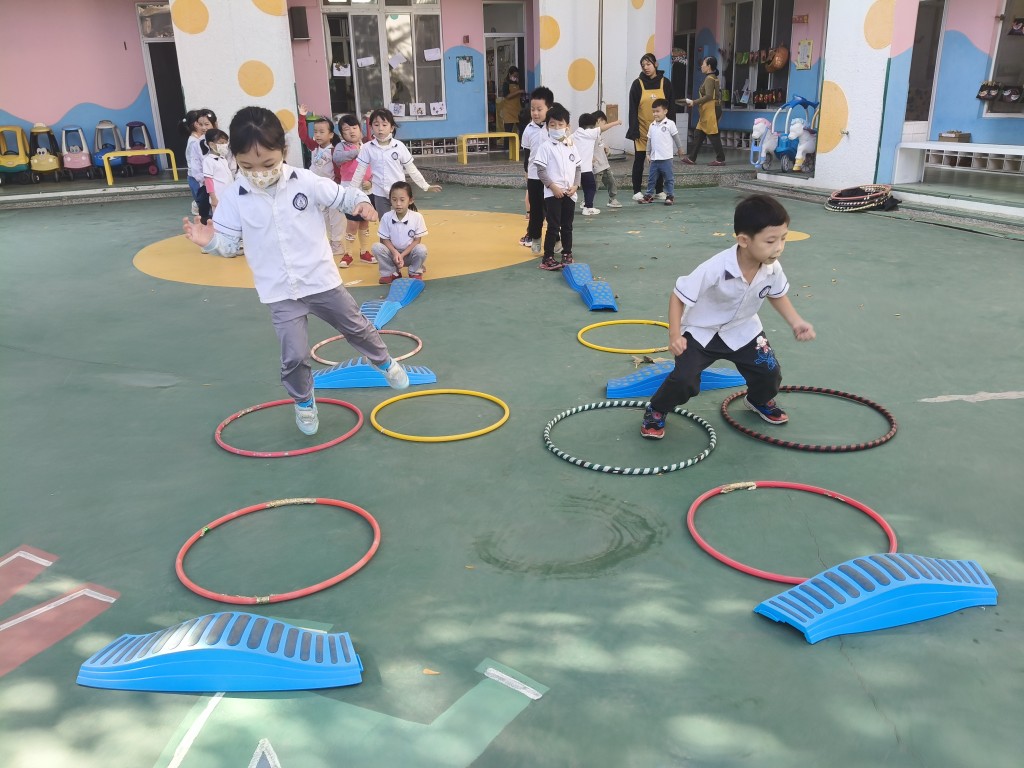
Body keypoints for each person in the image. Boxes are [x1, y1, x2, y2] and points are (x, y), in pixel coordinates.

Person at [181, 106, 410, 437]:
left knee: (357, 328)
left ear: (283, 150)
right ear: (236, 160)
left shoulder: (305, 181)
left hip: (320, 280)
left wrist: (360, 203)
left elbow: (343, 196)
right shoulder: (234, 197)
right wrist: (212, 241)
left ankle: (385, 363)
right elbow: (229, 245)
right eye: (247, 166)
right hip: (279, 290)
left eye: (267, 164)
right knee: (294, 355)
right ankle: (304, 402)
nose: (259, 173)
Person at [640, 194, 815, 439]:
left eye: (783, 238)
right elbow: (678, 296)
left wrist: (796, 321)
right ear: (744, 240)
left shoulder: (772, 267)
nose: (779, 247)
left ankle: (758, 400)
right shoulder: (715, 268)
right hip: (702, 332)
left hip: (744, 330)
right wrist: (675, 335)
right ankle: (657, 409)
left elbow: (776, 294)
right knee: (684, 379)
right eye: (770, 241)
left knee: (769, 372)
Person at [350, 109, 441, 218]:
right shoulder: (367, 148)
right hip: (380, 194)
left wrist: (425, 186)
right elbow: (359, 171)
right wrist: (350, 191)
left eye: (384, 125)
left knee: (403, 222)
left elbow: (412, 169)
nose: (380, 128)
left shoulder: (399, 146)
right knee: (385, 223)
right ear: (371, 127)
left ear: (392, 128)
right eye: (376, 125)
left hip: (400, 193)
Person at [532, 103, 580, 271]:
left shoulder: (571, 145)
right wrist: (553, 187)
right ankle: (548, 258)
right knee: (553, 226)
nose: (557, 128)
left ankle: (567, 253)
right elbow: (541, 171)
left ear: (567, 126)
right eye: (552, 125)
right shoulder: (545, 147)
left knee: (567, 226)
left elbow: (578, 167)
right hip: (553, 194)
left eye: (560, 124)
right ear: (547, 127)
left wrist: (576, 185)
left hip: (570, 193)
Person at [297, 105, 345, 255]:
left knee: (336, 217)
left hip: (332, 189)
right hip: (317, 189)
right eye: (315, 132)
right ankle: (329, 241)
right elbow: (303, 136)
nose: (317, 135)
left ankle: (337, 243)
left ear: (330, 135)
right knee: (323, 217)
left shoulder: (334, 150)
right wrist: (302, 117)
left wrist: (337, 186)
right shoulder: (314, 147)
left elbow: (338, 171)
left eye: (321, 132)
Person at [626, 53, 674, 202]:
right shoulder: (637, 84)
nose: (646, 68)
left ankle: (659, 190)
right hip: (642, 130)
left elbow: (671, 107)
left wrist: (670, 127)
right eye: (643, 65)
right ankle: (637, 191)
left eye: (648, 64)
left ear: (655, 64)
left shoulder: (666, 83)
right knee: (639, 160)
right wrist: (633, 129)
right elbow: (632, 109)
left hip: (661, 131)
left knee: (659, 161)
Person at [521, 86, 561, 255]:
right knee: (536, 211)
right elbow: (527, 154)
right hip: (534, 177)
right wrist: (526, 172)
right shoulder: (528, 129)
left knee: (552, 211)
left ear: (549, 109)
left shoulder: (553, 129)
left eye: (539, 109)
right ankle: (535, 238)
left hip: (551, 178)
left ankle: (556, 239)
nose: (535, 113)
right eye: (533, 109)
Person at [333, 114, 375, 268]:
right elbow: (337, 158)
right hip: (350, 190)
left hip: (367, 190)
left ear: (360, 129)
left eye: (354, 127)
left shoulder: (367, 145)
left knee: (364, 221)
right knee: (352, 223)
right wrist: (356, 152)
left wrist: (371, 182)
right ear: (341, 133)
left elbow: (375, 166)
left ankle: (364, 252)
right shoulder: (342, 146)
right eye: (346, 129)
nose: (351, 131)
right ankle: (348, 254)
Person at [371, 181, 428, 285]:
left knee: (421, 249)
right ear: (390, 200)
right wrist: (395, 253)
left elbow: (417, 240)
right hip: (393, 254)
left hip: (409, 254)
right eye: (394, 200)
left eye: (402, 200)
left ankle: (414, 271)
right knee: (376, 247)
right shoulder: (386, 217)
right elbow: (385, 239)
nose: (398, 204)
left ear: (410, 200)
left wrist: (402, 255)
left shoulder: (417, 217)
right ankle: (391, 273)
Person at [682, 56, 726, 166]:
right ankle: (692, 158)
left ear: (709, 66)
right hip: (709, 110)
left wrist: (694, 102)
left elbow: (709, 96)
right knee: (699, 133)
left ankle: (720, 159)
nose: (701, 66)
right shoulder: (713, 77)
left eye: (703, 64)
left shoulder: (709, 78)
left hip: (711, 110)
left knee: (713, 134)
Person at [638, 98, 683, 205]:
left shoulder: (670, 124)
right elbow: (649, 140)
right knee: (651, 179)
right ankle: (649, 195)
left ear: (665, 111)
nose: (655, 114)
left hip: (666, 158)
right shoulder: (652, 125)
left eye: (657, 111)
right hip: (654, 158)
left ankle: (670, 196)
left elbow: (676, 137)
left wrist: (680, 148)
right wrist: (647, 153)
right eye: (653, 111)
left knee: (669, 178)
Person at [180, 108, 215, 221]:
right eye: (201, 124)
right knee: (204, 202)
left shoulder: (216, 140)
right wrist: (205, 180)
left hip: (212, 179)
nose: (204, 127)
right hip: (200, 179)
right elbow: (195, 166)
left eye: (207, 124)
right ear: (196, 124)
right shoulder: (195, 142)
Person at [589, 110, 623, 209]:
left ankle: (612, 199)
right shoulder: (592, 133)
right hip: (596, 166)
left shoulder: (598, 135)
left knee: (611, 182)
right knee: (594, 186)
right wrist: (616, 122)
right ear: (599, 120)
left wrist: (605, 148)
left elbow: (598, 146)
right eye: (604, 123)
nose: (605, 126)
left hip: (604, 164)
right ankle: (587, 201)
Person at [201, 128, 236, 213]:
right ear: (211, 144)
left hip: (228, 196)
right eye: (221, 143)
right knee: (219, 217)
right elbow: (208, 180)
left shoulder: (223, 158)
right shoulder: (208, 160)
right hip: (218, 197)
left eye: (226, 143)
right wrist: (213, 198)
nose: (225, 145)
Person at [497, 66, 524, 138]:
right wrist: (518, 92)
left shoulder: (517, 83)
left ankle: (521, 144)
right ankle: (506, 145)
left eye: (517, 75)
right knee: (508, 132)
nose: (515, 77)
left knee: (522, 129)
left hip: (517, 110)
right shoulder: (506, 83)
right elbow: (507, 96)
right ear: (509, 74)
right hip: (508, 111)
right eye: (514, 75)